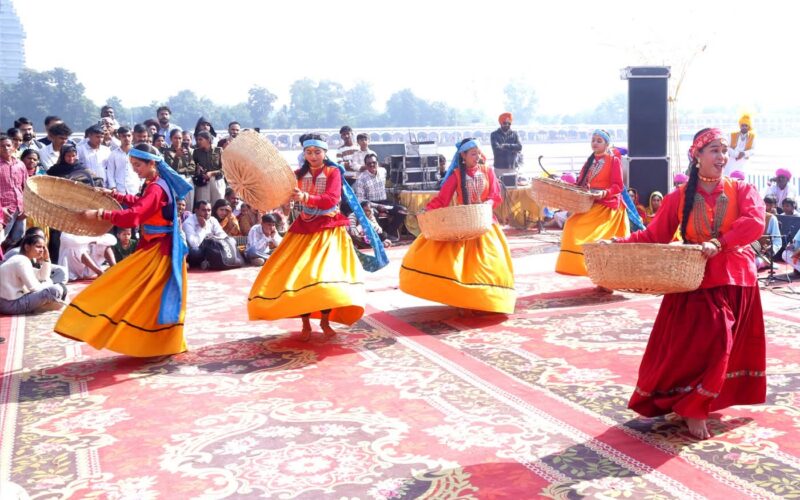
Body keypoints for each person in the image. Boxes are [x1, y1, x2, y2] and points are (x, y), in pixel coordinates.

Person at [614, 128, 766, 440]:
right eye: (714, 150)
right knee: (711, 340)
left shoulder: (742, 190)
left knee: (720, 345)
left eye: (723, 151)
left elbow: (754, 223)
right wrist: (618, 243)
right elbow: (653, 235)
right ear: (696, 157)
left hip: (735, 278)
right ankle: (692, 406)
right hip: (694, 279)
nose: (722, 157)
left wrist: (720, 243)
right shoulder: (679, 198)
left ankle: (694, 401)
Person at [54, 143, 193, 357]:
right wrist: (115, 195)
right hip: (155, 245)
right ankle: (157, 342)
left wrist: (101, 213)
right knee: (146, 294)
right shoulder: (155, 183)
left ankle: (157, 342)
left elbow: (134, 215)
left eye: (138, 165)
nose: (135, 169)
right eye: (133, 165)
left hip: (160, 250)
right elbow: (141, 203)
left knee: (131, 288)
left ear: (152, 163)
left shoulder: (156, 187)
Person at [248, 135, 368, 341]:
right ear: (304, 154)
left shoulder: (333, 172)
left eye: (317, 152)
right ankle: (305, 323)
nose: (313, 156)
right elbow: (283, 196)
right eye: (309, 152)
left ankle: (325, 320)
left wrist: (305, 197)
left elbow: (331, 198)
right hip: (303, 229)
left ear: (325, 153)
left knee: (325, 278)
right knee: (299, 277)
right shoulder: (296, 175)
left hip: (328, 230)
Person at [399, 138, 515, 314]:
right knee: (460, 264)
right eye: (473, 154)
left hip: (485, 221)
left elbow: (495, 195)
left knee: (490, 261)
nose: (477, 157)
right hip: (464, 222)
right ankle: (463, 300)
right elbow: (442, 199)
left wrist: (487, 205)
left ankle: (489, 299)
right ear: (463, 156)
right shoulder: (456, 175)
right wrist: (426, 210)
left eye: (478, 153)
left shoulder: (487, 171)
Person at [555, 129, 629, 276]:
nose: (595, 143)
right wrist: (562, 184)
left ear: (607, 144)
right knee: (571, 225)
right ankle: (586, 269)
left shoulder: (613, 160)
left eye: (599, 141)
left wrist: (604, 193)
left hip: (608, 207)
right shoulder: (589, 162)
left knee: (600, 242)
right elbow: (579, 184)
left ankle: (605, 277)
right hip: (591, 204)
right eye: (593, 140)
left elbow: (618, 186)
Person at [0, 233, 67, 315]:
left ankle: (45, 306)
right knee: (55, 290)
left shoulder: (20, 259)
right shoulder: (21, 261)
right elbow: (34, 288)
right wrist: (50, 285)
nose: (42, 250)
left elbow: (42, 277)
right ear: (27, 247)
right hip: (10, 305)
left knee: (51, 285)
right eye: (38, 246)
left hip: (6, 304)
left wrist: (46, 259)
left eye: (43, 247)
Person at [352, 153, 406, 241]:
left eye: (374, 162)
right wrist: (377, 206)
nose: (372, 165)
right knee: (373, 213)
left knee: (402, 210)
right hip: (371, 204)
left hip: (384, 202)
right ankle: (381, 237)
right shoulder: (361, 178)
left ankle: (389, 233)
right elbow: (360, 199)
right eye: (369, 164)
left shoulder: (383, 171)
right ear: (365, 165)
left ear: (377, 163)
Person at [0, 134, 28, 251]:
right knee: (1, 238)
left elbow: (26, 187)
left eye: (8, 145)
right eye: (2, 146)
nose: (6, 148)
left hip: (20, 208)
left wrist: (27, 208)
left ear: (13, 147)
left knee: (17, 239)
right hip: (4, 210)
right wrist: (1, 209)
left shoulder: (20, 164)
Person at [182, 200, 228, 268]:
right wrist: (202, 228)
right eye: (204, 210)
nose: (207, 213)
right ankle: (205, 262)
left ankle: (207, 262)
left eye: (209, 210)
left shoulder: (212, 219)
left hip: (211, 246)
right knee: (195, 252)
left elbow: (223, 235)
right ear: (196, 211)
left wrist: (213, 238)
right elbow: (194, 244)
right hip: (197, 249)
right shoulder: (188, 223)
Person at [163, 128, 195, 210]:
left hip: (187, 179)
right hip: (174, 181)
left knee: (188, 205)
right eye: (175, 138)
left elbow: (192, 167)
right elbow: (170, 169)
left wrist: (181, 171)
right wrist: (177, 157)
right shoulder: (167, 152)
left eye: (180, 138)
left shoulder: (187, 151)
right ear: (171, 139)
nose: (178, 140)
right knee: (176, 205)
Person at [192, 130, 225, 205]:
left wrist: (212, 173)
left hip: (217, 181)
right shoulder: (196, 152)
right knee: (202, 205)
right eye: (197, 140)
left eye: (200, 139)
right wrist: (198, 171)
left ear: (208, 140)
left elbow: (225, 169)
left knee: (218, 204)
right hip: (203, 182)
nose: (198, 141)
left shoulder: (218, 150)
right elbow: (194, 169)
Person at [489, 112, 523, 176]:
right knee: (500, 185)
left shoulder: (515, 134)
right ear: (501, 123)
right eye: (505, 123)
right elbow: (496, 149)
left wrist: (505, 146)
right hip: (499, 168)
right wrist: (513, 148)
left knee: (512, 185)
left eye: (509, 123)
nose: (507, 125)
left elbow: (519, 147)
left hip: (513, 167)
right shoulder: (494, 134)